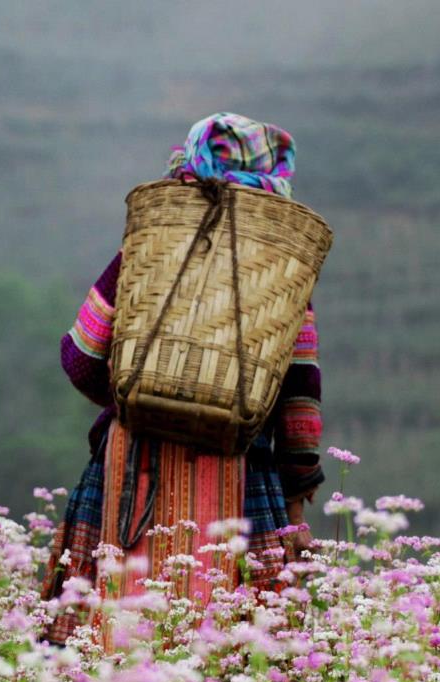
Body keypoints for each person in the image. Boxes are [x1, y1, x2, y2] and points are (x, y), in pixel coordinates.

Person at [41, 113, 324, 645]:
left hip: (132, 465)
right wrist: (297, 491)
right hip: (242, 471)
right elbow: (299, 403)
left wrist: (138, 402)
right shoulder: (284, 271)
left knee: (105, 637)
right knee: (237, 654)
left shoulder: (147, 247)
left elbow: (81, 354)